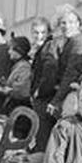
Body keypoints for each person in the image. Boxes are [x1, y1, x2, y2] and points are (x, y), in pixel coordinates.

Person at [46, 4, 82, 119]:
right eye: (63, 23)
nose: (67, 26)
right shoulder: (70, 42)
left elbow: (71, 73)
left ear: (79, 24)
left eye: (71, 22)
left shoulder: (78, 43)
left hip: (81, 93)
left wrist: (56, 100)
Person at [29, 16, 58, 151]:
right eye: (36, 32)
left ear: (48, 33)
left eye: (43, 32)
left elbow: (49, 71)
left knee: (43, 134)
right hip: (43, 97)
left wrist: (39, 91)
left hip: (44, 98)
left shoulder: (48, 47)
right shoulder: (42, 48)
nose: (39, 36)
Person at [0, 36, 32, 111]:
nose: (9, 52)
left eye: (11, 49)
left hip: (19, 108)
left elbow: (23, 92)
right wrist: (5, 83)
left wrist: (7, 91)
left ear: (18, 50)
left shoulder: (24, 67)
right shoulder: (18, 65)